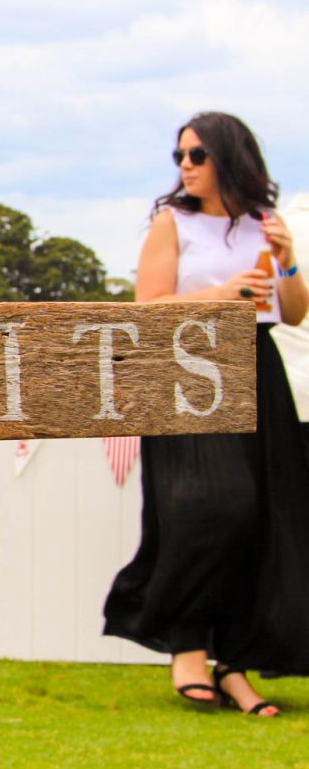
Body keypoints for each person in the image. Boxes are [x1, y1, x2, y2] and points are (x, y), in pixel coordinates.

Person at [103, 111, 309, 716]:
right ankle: (187, 644)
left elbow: (294, 312)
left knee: (264, 518)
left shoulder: (266, 223)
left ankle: (234, 663)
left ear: (229, 157)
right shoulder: (173, 222)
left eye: (197, 155)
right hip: (188, 370)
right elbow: (148, 306)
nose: (186, 166)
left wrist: (287, 260)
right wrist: (221, 295)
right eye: (180, 156)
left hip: (257, 367)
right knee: (212, 506)